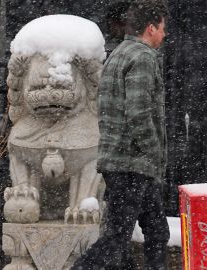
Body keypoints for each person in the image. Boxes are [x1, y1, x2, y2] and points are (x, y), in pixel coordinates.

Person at [71, 1, 170, 269]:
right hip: (133, 164)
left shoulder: (118, 54)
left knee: (157, 232)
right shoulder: (143, 57)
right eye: (162, 28)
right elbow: (138, 114)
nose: (164, 34)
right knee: (117, 240)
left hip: (121, 162)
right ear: (150, 28)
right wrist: (154, 152)